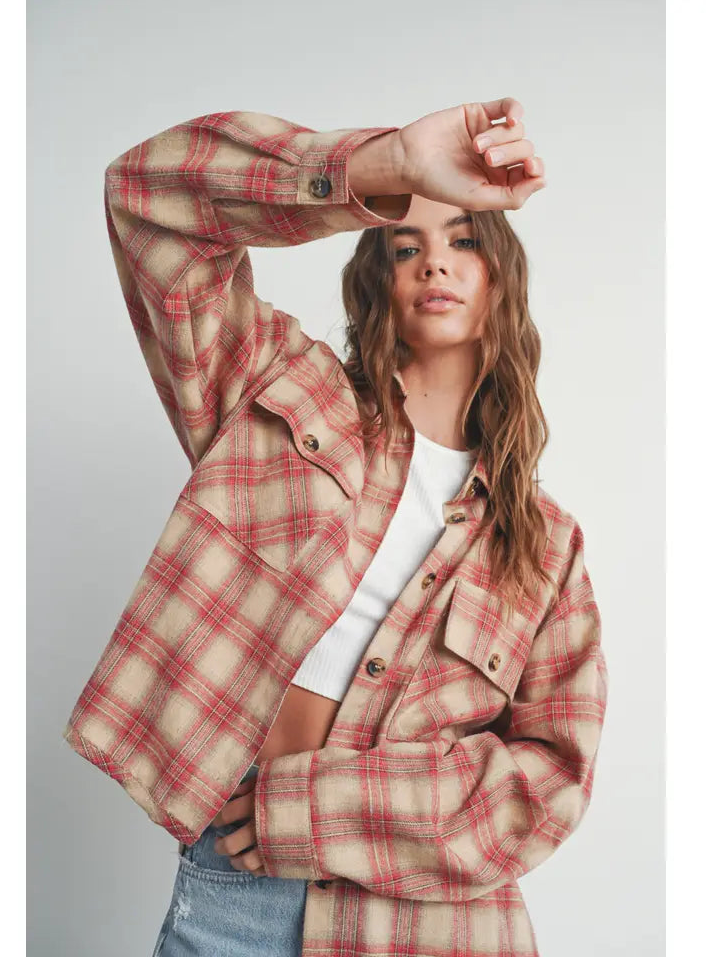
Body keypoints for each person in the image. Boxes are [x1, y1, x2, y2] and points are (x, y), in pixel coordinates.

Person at [62, 98, 609, 957]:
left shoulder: (545, 548)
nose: (435, 262)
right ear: (374, 283)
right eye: (406, 247)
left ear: (501, 282)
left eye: (464, 241)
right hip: (233, 896)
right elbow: (147, 198)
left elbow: (549, 784)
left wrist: (315, 813)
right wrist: (385, 165)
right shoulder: (279, 392)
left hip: (433, 929)